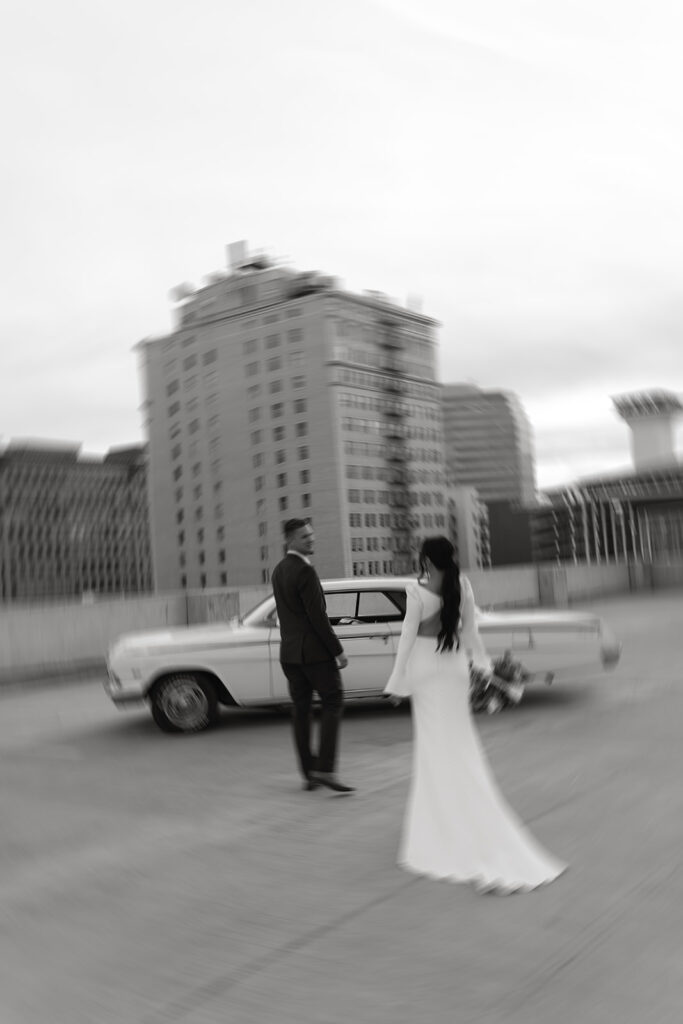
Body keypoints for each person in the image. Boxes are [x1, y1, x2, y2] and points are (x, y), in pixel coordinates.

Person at [384, 536, 567, 893]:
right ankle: (462, 818)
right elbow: (471, 636)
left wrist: (396, 683)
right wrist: (488, 671)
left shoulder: (416, 591)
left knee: (435, 752)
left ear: (425, 560)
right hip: (453, 673)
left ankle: (443, 828)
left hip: (425, 671)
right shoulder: (462, 585)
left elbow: (408, 637)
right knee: (460, 748)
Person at [271, 518, 355, 794]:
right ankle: (325, 769)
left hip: (290, 654)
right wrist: (338, 651)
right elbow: (317, 616)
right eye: (305, 537)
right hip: (314, 654)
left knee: (301, 712)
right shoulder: (305, 572)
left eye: (312, 535)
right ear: (291, 540)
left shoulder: (279, 570)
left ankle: (309, 774)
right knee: (333, 701)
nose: (312, 540)